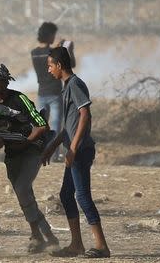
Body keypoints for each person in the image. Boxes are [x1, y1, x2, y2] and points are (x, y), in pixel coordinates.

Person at [0, 63, 59, 254]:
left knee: (22, 190)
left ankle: (48, 237)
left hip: (32, 150)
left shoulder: (19, 99)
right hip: (12, 154)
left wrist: (26, 142)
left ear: (5, 82)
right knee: (24, 196)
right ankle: (37, 236)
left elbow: (42, 125)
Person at [41, 47, 110, 258]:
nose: (49, 70)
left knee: (82, 196)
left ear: (60, 65)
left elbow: (85, 115)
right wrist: (52, 147)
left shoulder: (76, 84)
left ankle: (101, 246)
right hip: (73, 150)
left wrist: (72, 148)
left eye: (50, 66)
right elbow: (68, 127)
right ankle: (76, 244)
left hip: (80, 151)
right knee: (65, 195)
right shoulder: (67, 87)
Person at [31, 22, 63, 162]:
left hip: (41, 92)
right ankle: (53, 155)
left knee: (40, 126)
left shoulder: (34, 53)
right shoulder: (53, 52)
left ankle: (38, 152)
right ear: (50, 35)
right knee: (55, 126)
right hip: (55, 93)